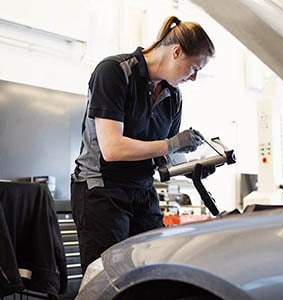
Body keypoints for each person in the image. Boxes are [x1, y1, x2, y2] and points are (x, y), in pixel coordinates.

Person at [70, 15, 215, 273]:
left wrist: (194, 164)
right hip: (102, 190)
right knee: (107, 280)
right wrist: (172, 144)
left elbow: (162, 157)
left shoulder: (173, 96)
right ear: (176, 51)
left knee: (152, 275)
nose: (194, 78)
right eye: (194, 68)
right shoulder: (114, 72)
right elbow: (113, 149)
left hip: (142, 190)